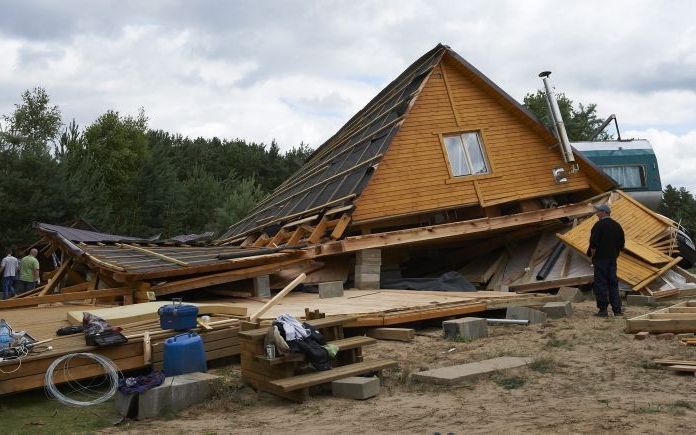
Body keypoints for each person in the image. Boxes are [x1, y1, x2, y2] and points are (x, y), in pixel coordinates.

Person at [587, 204, 625, 317]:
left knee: (600, 284)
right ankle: (617, 310)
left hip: (600, 260)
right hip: (612, 260)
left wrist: (593, 257)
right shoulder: (617, 226)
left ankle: (603, 310)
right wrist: (615, 254)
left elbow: (593, 244)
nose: (596, 213)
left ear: (604, 212)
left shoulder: (598, 225)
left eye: (598, 211)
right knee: (613, 284)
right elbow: (621, 244)